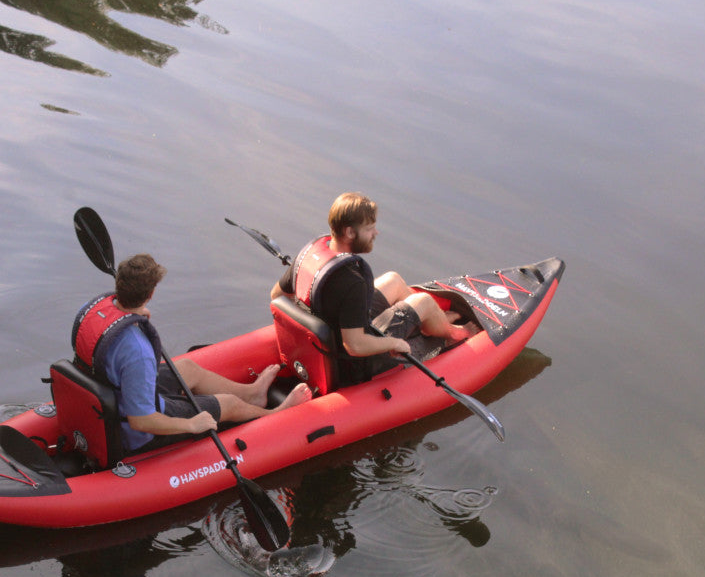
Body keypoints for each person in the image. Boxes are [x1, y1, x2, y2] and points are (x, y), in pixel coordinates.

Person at [74, 253, 311, 453]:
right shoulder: (138, 350)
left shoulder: (92, 310)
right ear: (151, 294)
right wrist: (190, 424)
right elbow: (140, 421)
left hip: (115, 391)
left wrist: (134, 314)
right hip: (134, 428)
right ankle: (275, 413)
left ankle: (253, 393)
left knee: (188, 368)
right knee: (228, 404)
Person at [270, 192, 478, 386]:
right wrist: (393, 343)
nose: (375, 233)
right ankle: (455, 333)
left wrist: (317, 317)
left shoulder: (309, 256)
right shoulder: (353, 282)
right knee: (423, 301)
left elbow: (277, 296)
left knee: (393, 280)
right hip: (351, 362)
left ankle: (430, 322)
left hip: (334, 332)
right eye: (369, 229)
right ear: (350, 232)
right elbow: (355, 346)